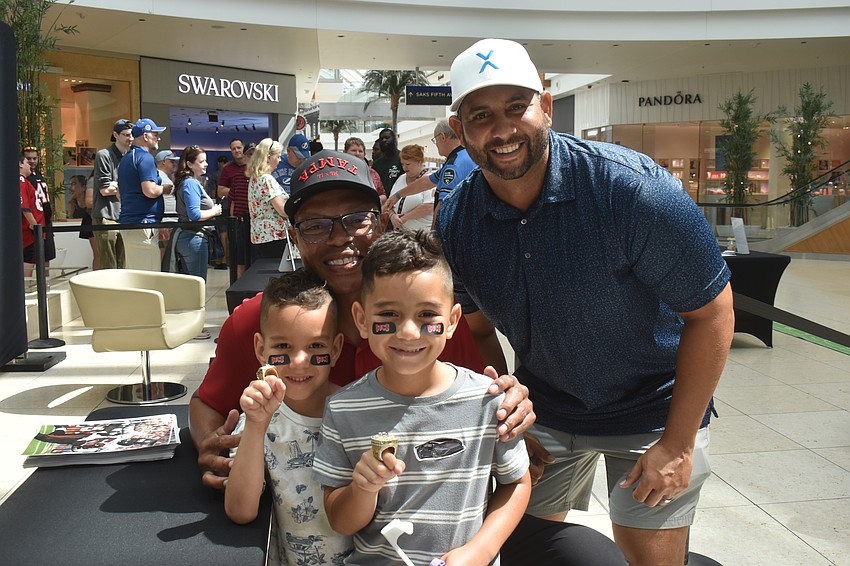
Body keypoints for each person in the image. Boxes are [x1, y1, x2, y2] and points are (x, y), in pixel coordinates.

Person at [189, 148, 625, 566]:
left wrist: (509, 411)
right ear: (295, 235)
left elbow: (476, 402)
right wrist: (217, 450)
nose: (340, 237)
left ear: (379, 221)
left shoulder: (429, 324)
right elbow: (206, 405)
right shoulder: (262, 323)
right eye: (316, 225)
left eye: (355, 219)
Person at [435, 38, 735, 565]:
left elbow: (711, 312)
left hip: (654, 409)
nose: (502, 130)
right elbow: (478, 329)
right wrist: (511, 413)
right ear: (459, 131)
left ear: (545, 107)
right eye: (481, 116)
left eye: (516, 108)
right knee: (523, 546)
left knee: (649, 555)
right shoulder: (457, 219)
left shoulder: (631, 191)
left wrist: (680, 443)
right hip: (547, 405)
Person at [315, 229, 531, 565]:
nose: (408, 332)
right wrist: (363, 489)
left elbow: (517, 482)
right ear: (362, 319)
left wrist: (482, 550)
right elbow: (339, 520)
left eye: (427, 315)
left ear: (452, 321)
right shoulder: (343, 409)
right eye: (388, 314)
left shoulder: (488, 401)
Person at [224, 270, 354, 565]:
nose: (298, 362)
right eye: (283, 347)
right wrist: (256, 426)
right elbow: (241, 511)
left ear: (335, 350)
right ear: (261, 349)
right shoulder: (258, 415)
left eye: (316, 346)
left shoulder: (356, 411)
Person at [384, 119, 476, 227]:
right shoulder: (465, 156)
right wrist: (398, 195)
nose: (436, 144)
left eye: (435, 140)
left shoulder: (454, 165)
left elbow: (442, 205)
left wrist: (434, 237)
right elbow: (427, 181)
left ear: (442, 137)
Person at [118, 118, 168, 271]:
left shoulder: (126, 159)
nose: (158, 137)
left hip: (132, 223)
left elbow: (120, 194)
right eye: (155, 134)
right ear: (146, 136)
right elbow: (150, 190)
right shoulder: (145, 158)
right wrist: (164, 188)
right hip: (143, 224)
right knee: (147, 275)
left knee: (136, 272)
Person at [174, 145, 223, 282]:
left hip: (191, 237)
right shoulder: (190, 183)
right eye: (201, 161)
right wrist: (214, 211)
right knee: (197, 283)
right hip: (193, 238)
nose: (206, 164)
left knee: (191, 283)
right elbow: (194, 215)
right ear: (189, 164)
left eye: (205, 161)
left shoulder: (189, 182)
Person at [91, 119, 133, 269]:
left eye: (132, 134)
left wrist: (117, 186)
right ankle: (108, 292)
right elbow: (104, 189)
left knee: (123, 262)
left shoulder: (130, 157)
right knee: (109, 263)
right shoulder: (104, 155)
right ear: (115, 135)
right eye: (126, 134)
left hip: (124, 215)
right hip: (106, 215)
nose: (130, 138)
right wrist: (125, 187)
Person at [247, 138, 289, 259]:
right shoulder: (267, 179)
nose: (280, 160)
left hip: (260, 235)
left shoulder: (255, 178)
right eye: (278, 156)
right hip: (274, 235)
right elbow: (282, 210)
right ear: (269, 157)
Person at [218, 138, 251, 278]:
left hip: (255, 217)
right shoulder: (228, 170)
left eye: (239, 147)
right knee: (239, 257)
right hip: (238, 216)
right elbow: (220, 191)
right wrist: (238, 188)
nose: (237, 150)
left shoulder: (255, 169)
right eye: (234, 149)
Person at [386, 144, 434, 232]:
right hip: (401, 234)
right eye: (402, 164)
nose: (404, 167)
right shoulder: (401, 178)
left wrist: (404, 218)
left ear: (419, 162)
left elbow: (429, 206)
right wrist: (392, 216)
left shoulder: (430, 179)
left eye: (408, 164)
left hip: (421, 233)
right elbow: (390, 203)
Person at [23, 146, 56, 269]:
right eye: (28, 159)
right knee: (32, 257)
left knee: (46, 255)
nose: (32, 161)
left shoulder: (38, 174)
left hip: (46, 221)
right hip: (34, 223)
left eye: (34, 158)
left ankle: (45, 285)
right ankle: (32, 286)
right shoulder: (24, 178)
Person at [19, 154, 46, 279]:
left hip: (34, 232)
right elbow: (24, 206)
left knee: (33, 260)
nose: (30, 165)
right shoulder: (21, 181)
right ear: (20, 164)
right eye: (26, 162)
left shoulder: (25, 181)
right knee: (28, 263)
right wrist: (34, 225)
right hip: (29, 233)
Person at [68, 174, 99, 270]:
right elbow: (70, 218)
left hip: (92, 220)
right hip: (90, 222)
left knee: (99, 253)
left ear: (83, 186)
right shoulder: (73, 204)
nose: (71, 188)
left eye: (74, 184)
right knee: (98, 253)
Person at [155, 149, 180, 261]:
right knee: (165, 253)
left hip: (168, 221)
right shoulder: (158, 176)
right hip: (165, 221)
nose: (174, 165)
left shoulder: (164, 176)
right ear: (164, 161)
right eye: (172, 162)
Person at [343, 136, 385, 200]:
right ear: (344, 152)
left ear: (364, 154)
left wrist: (375, 200)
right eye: (353, 150)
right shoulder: (340, 172)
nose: (357, 154)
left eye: (360, 151)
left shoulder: (372, 173)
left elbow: (383, 194)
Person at [207, 155, 230, 270]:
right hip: (231, 205)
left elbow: (213, 192)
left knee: (222, 233)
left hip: (220, 206)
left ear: (219, 163)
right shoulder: (231, 171)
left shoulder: (216, 174)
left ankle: (222, 259)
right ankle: (229, 258)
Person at [371, 128, 403, 192]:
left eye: (387, 137)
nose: (384, 140)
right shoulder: (376, 164)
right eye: (381, 139)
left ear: (394, 139)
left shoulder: (403, 159)